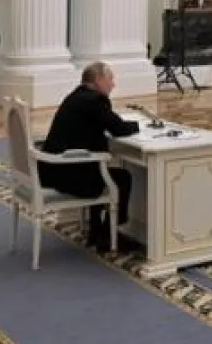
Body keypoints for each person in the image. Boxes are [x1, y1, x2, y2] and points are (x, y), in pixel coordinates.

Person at [39, 63, 140, 253]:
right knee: (121, 178)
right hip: (69, 174)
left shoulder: (75, 96)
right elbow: (118, 128)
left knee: (101, 170)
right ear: (99, 80)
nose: (113, 84)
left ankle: (96, 230)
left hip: (52, 171)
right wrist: (138, 125)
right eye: (110, 79)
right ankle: (109, 234)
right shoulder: (95, 100)